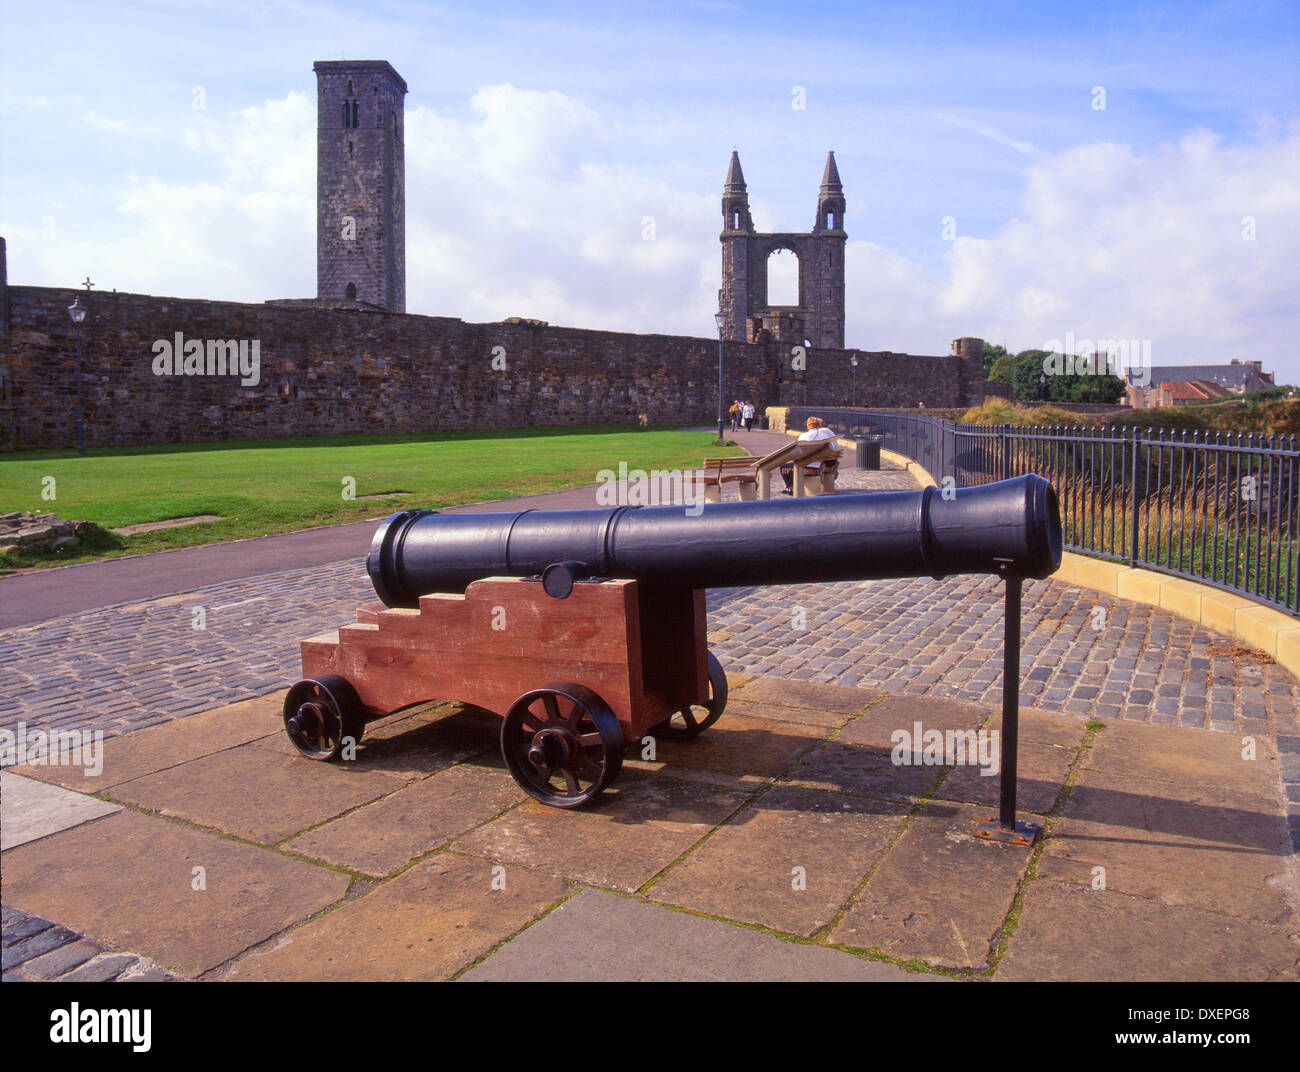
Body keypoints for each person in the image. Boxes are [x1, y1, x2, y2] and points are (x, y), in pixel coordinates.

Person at [781, 417, 839, 494]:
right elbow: (831, 447)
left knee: (783, 467)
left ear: (808, 426)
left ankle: (790, 487)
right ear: (818, 425)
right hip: (820, 464)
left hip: (804, 464)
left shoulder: (803, 436)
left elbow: (798, 450)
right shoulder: (824, 436)